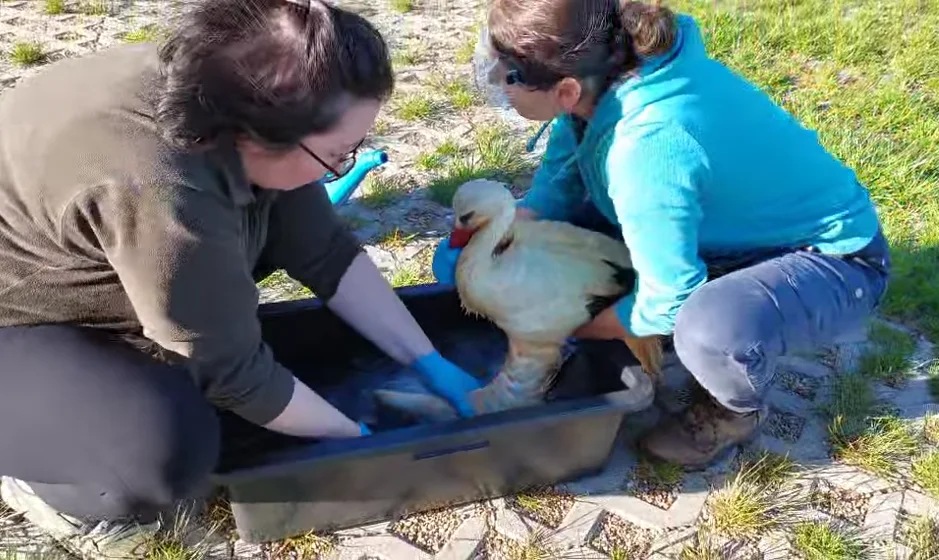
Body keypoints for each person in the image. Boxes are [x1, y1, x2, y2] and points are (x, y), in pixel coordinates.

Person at [0, 0, 481, 556]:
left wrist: (432, 364)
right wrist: (365, 444)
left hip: (102, 261)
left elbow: (326, 253)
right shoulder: (161, 186)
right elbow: (234, 374)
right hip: (18, 319)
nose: (341, 167)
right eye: (337, 155)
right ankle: (35, 470)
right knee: (162, 453)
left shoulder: (234, 88)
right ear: (255, 133)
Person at [434, 0, 890, 470]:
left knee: (708, 328)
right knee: (509, 256)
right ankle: (653, 324)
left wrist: (568, 327)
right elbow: (558, 188)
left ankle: (733, 411)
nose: (496, 85)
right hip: (724, 237)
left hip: (832, 259)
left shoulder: (647, 148)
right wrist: (502, 242)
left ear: (565, 90)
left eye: (506, 77)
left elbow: (670, 296)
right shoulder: (603, 77)